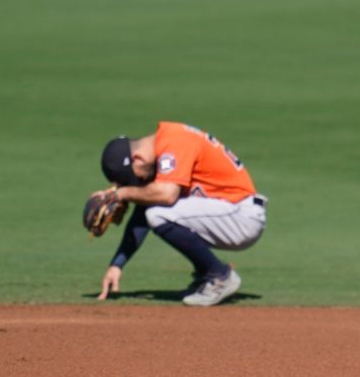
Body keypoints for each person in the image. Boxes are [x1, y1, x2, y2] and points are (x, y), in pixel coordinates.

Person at [94, 121, 267, 306]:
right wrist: (117, 264)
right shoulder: (164, 146)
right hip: (228, 213)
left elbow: (167, 196)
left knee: (158, 213)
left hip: (241, 216)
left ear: (138, 158)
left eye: (136, 179)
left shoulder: (174, 142)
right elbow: (141, 215)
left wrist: (121, 193)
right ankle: (206, 276)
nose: (139, 182)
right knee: (154, 210)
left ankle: (219, 276)